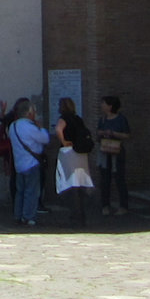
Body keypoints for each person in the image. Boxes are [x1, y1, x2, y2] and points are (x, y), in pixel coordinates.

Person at [55, 97, 96, 227]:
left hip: (68, 152)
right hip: (81, 154)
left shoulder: (63, 119)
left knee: (70, 184)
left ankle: (75, 214)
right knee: (80, 184)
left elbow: (58, 129)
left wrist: (63, 141)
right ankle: (82, 214)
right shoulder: (78, 119)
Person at [7, 98, 50, 225]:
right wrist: (41, 128)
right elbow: (45, 139)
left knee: (20, 191)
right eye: (34, 111)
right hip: (31, 163)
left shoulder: (12, 126)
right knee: (31, 191)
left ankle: (18, 214)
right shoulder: (30, 127)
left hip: (19, 163)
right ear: (29, 113)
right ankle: (28, 216)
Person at [96, 95, 132, 216]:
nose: (102, 105)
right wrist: (101, 133)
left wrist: (114, 133)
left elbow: (127, 135)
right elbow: (97, 134)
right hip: (105, 152)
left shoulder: (121, 119)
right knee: (105, 180)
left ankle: (123, 206)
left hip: (117, 151)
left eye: (104, 103)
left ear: (110, 106)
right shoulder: (102, 119)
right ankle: (105, 205)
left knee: (119, 178)